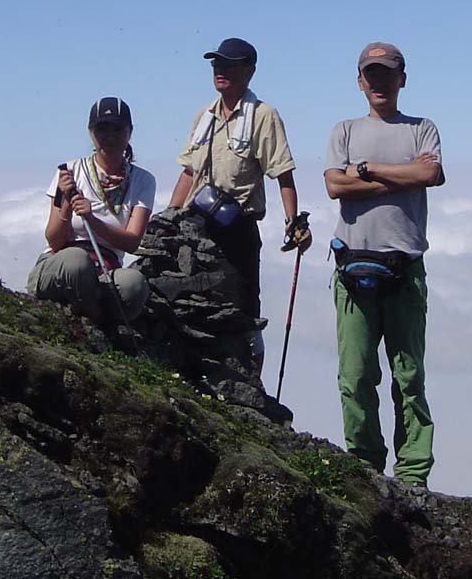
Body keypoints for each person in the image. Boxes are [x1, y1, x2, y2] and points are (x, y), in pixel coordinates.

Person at [323, 42, 445, 486]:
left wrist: (367, 170)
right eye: (371, 73)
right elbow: (335, 187)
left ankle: (412, 472)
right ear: (360, 81)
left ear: (402, 79)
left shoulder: (421, 128)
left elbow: (429, 174)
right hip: (352, 269)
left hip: (405, 269)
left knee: (408, 377)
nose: (379, 81)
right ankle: (364, 466)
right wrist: (400, 176)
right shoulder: (344, 130)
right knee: (355, 377)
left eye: (387, 73)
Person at [168, 38, 305, 369]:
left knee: (244, 311)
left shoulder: (263, 116)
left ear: (249, 71)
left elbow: (282, 173)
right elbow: (189, 171)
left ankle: (249, 378)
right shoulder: (204, 116)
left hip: (237, 228)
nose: (221, 71)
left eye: (229, 65)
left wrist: (293, 222)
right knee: (194, 306)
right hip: (195, 227)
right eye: (217, 64)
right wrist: (169, 218)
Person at [27, 97, 155, 328]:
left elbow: (132, 242)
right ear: (90, 132)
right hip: (63, 261)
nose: (109, 137)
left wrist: (91, 219)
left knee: (133, 285)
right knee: (77, 262)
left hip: (106, 268)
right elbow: (54, 241)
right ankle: (99, 323)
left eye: (117, 129)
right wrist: (67, 202)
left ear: (130, 132)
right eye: (102, 129)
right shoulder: (69, 172)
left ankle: (90, 309)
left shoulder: (143, 180)